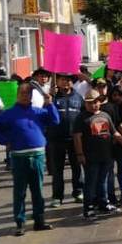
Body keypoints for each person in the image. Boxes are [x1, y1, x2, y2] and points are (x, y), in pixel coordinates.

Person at [0, 82, 60, 236]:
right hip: (19, 157)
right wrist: (5, 140)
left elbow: (55, 121)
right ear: (18, 95)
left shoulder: (38, 112)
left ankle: (39, 220)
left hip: (38, 156)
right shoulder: (9, 114)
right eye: (23, 94)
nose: (25, 97)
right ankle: (20, 222)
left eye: (28, 94)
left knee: (38, 190)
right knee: (20, 191)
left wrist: (50, 104)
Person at [74, 89, 122, 221]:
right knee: (90, 182)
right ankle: (88, 208)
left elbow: (114, 132)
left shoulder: (105, 115)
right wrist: (80, 154)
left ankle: (103, 203)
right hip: (90, 156)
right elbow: (77, 137)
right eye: (89, 103)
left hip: (106, 155)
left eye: (95, 102)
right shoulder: (81, 117)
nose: (93, 105)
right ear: (85, 104)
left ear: (100, 102)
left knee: (102, 181)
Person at [46, 74, 85, 207]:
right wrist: (48, 101)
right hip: (56, 139)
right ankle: (57, 196)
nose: (66, 82)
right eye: (63, 79)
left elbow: (84, 115)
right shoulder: (53, 97)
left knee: (77, 167)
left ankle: (78, 191)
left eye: (68, 80)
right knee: (57, 169)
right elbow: (45, 115)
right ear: (57, 81)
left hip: (75, 139)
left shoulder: (78, 97)